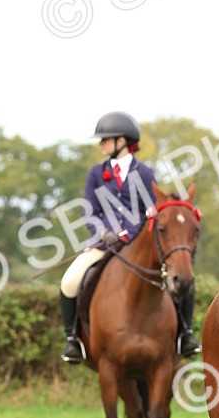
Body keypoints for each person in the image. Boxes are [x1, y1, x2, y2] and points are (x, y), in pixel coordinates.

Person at [59, 111, 201, 362]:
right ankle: (74, 341)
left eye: (106, 139)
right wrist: (104, 232)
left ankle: (185, 335)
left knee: (184, 278)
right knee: (70, 281)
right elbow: (89, 211)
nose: (101, 144)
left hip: (138, 244)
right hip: (104, 243)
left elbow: (152, 210)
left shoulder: (145, 173)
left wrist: (132, 233)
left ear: (122, 141)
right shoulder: (96, 173)